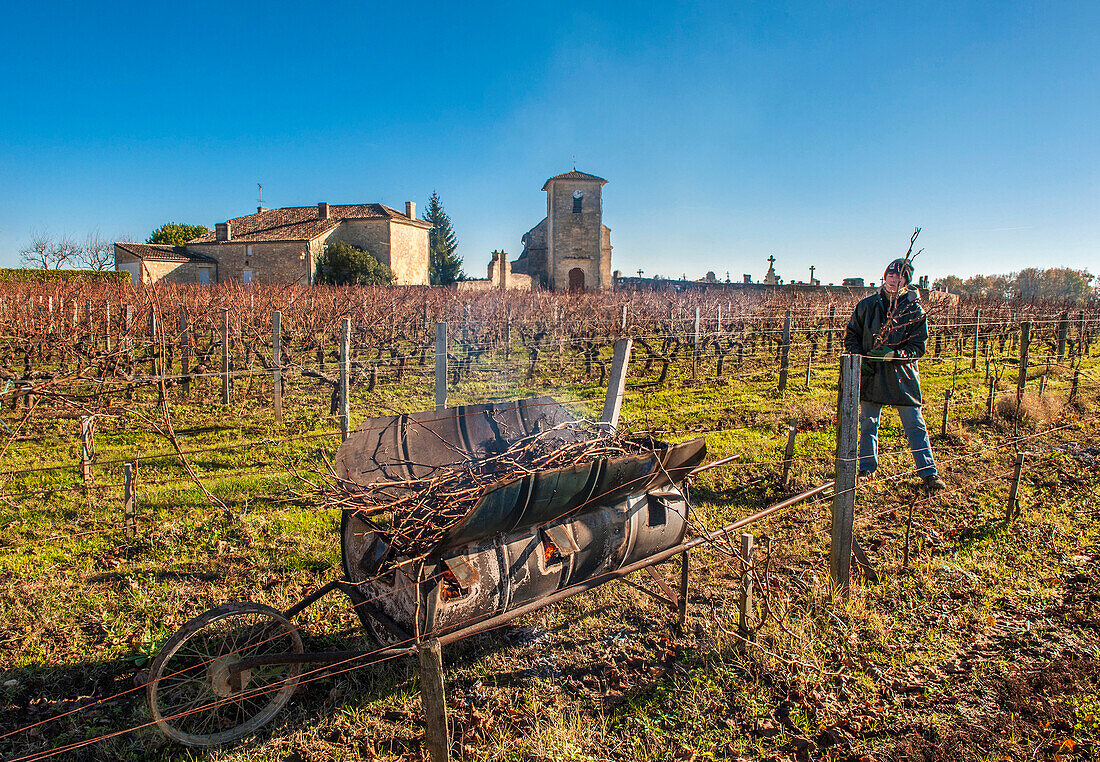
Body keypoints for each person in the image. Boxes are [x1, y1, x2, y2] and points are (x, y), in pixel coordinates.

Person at [844, 258, 946, 491]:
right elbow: (852, 335)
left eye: (899, 276)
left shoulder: (914, 310)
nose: (893, 279)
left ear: (906, 281)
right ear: (884, 276)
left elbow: (918, 348)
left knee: (914, 424)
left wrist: (894, 354)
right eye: (890, 275)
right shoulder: (867, 305)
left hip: (902, 377)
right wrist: (859, 360)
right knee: (868, 423)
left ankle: (928, 473)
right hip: (872, 374)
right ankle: (866, 469)